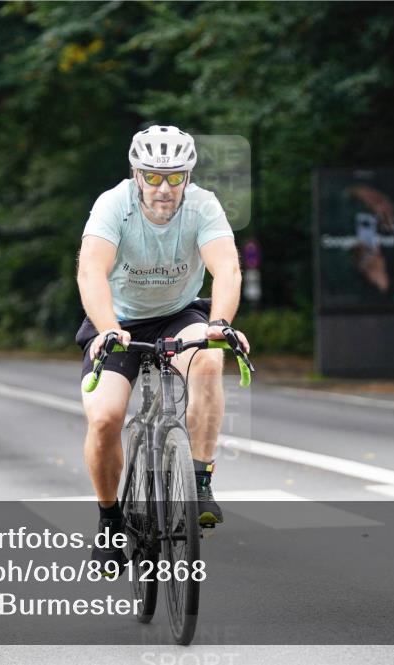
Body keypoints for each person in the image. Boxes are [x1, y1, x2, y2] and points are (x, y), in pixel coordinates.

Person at [76, 125, 250, 569]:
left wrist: (220, 324)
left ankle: (200, 480)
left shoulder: (203, 206)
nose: (164, 188)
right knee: (104, 418)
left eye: (175, 177)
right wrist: (107, 327)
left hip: (179, 312)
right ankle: (110, 518)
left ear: (188, 177)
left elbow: (227, 269)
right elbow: (92, 272)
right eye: (153, 176)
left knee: (210, 363)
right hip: (118, 321)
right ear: (136, 174)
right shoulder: (112, 205)